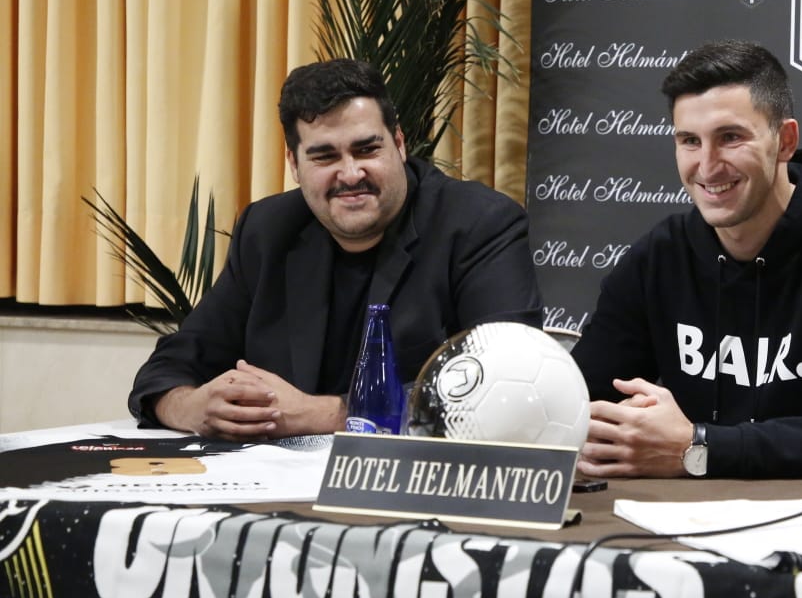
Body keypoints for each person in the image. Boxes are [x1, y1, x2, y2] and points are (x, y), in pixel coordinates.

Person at [128, 59, 544, 439]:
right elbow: (176, 361)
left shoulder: (479, 224)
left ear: (398, 144)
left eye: (367, 149)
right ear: (294, 164)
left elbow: (504, 381)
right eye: (325, 157)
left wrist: (325, 414)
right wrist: (192, 407)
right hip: (276, 486)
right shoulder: (268, 230)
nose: (350, 173)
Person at [572, 39, 802, 479]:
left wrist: (697, 448)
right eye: (689, 141)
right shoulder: (660, 257)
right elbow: (578, 399)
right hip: (685, 524)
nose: (707, 166)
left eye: (730, 138)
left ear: (786, 140)